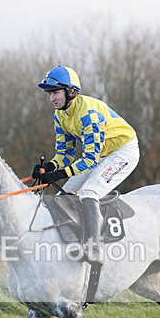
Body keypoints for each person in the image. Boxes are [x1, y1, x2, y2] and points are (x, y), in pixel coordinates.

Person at [34, 65, 139, 264]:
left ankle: (94, 248)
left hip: (123, 152)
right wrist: (48, 168)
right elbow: (65, 154)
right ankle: (72, 242)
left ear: (71, 91)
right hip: (102, 154)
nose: (51, 99)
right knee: (62, 197)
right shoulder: (59, 116)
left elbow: (90, 159)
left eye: (55, 92)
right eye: (49, 94)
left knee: (89, 192)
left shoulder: (88, 114)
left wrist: (58, 174)